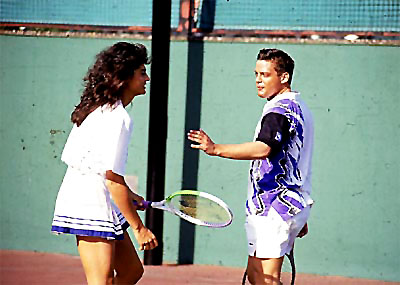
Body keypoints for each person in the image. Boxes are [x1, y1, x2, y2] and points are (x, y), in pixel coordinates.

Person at [188, 48, 314, 285]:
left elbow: (264, 148)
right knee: (257, 276)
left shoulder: (280, 111)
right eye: (256, 74)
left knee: (266, 279)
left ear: (283, 77)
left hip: (276, 208)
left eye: (265, 75)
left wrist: (215, 149)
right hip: (282, 206)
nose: (258, 80)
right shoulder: (298, 106)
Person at [51, 42, 158, 285]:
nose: (147, 78)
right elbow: (112, 179)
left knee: (132, 271)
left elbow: (102, 169)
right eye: (142, 72)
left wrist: (129, 194)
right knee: (102, 281)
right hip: (89, 201)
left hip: (101, 197)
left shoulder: (103, 108)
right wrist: (139, 228)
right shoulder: (117, 118)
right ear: (125, 76)